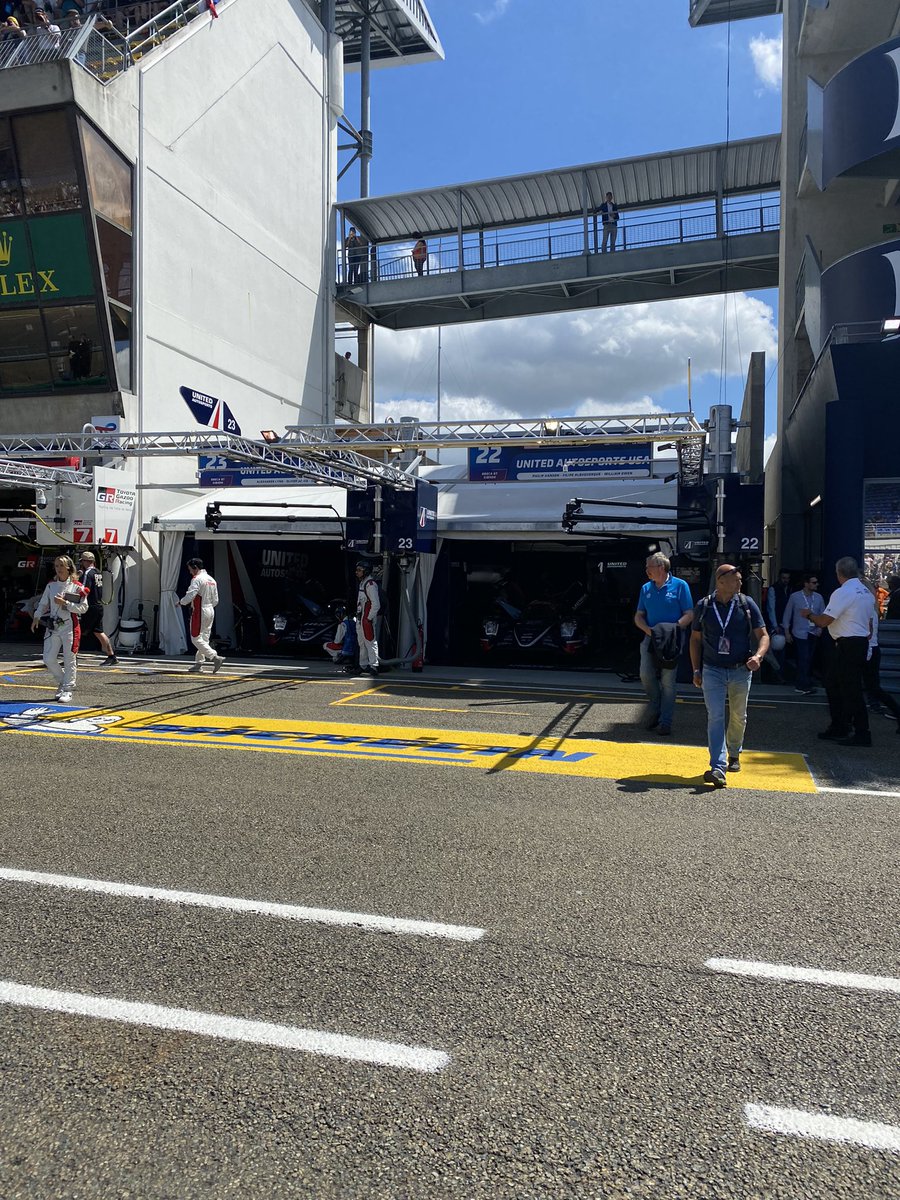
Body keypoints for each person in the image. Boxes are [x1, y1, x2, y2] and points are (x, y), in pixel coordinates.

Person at [690, 564, 769, 787]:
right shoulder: (704, 606)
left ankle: (734, 751)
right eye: (737, 580)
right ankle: (718, 766)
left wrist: (758, 656)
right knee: (715, 716)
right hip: (712, 669)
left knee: (738, 715)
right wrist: (696, 669)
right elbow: (695, 640)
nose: (740, 583)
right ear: (721, 581)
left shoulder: (746, 603)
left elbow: (763, 635)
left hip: (740, 670)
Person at [803, 556, 875, 747]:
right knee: (838, 685)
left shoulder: (843, 592)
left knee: (847, 689)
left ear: (839, 573)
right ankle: (841, 725)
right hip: (858, 643)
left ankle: (859, 731)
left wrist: (809, 614)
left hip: (847, 644)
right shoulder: (867, 592)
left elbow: (824, 621)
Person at [633, 551, 694, 736]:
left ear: (661, 567)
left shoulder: (680, 586)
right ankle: (656, 704)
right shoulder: (646, 588)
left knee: (668, 681)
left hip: (671, 640)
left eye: (649, 567)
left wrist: (674, 629)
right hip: (650, 637)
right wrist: (648, 630)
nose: (646, 571)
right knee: (645, 674)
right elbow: (638, 616)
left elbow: (689, 614)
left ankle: (665, 721)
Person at [30, 555, 89, 704]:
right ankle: (63, 683)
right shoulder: (51, 585)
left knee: (69, 659)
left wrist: (66, 603)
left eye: (61, 566)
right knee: (48, 658)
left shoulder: (77, 587)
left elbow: (83, 608)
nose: (59, 569)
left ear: (69, 567)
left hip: (70, 626)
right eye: (56, 566)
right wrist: (37, 616)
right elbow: (43, 603)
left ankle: (67, 689)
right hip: (53, 626)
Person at [860, 579, 900, 731]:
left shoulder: (868, 609)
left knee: (870, 687)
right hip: (871, 649)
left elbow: (868, 633)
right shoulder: (872, 608)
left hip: (867, 649)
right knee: (872, 687)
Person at [178, 557, 225, 674]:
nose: (189, 572)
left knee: (195, 638)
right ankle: (199, 663)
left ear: (195, 568)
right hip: (210, 609)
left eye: (190, 569)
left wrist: (181, 602)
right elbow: (216, 600)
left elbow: (191, 595)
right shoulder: (211, 579)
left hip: (200, 610)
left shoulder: (197, 579)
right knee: (204, 638)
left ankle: (214, 657)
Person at [781, 572, 824, 694]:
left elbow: (823, 613)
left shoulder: (819, 597)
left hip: (814, 631)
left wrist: (821, 628)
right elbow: (787, 614)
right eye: (813, 582)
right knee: (803, 657)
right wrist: (787, 631)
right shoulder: (795, 597)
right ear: (806, 584)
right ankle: (802, 684)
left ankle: (805, 681)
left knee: (809, 658)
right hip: (800, 632)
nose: (816, 585)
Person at [77, 551, 117, 666]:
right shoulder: (98, 572)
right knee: (99, 631)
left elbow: (84, 589)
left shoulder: (87, 573)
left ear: (85, 561)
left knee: (76, 631)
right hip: (99, 605)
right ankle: (111, 655)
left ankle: (71, 657)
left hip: (89, 606)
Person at [765, 568, 793, 683]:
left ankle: (779, 675)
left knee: (781, 651)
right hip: (778, 624)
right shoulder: (774, 589)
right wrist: (774, 624)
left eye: (787, 578)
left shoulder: (789, 589)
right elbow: (771, 607)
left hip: (786, 623)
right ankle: (776, 676)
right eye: (783, 578)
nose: (785, 580)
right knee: (777, 651)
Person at [355, 559, 381, 676]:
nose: (357, 572)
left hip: (366, 619)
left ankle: (373, 666)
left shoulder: (370, 584)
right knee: (362, 643)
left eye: (359, 570)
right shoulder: (362, 583)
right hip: (361, 618)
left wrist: (369, 618)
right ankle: (363, 665)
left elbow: (376, 604)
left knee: (370, 641)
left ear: (365, 571)